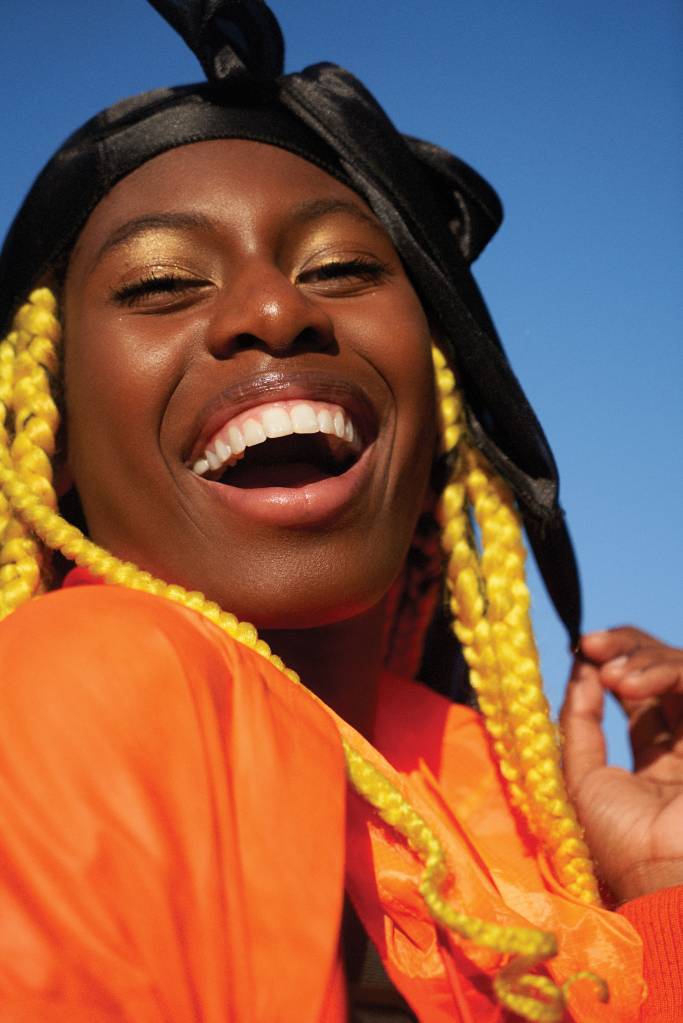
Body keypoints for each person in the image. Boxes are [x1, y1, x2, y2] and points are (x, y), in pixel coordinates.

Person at [0, 2, 680, 1021]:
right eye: (161, 282)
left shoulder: (514, 815)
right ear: (47, 438)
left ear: (448, 412)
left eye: (340, 269)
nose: (276, 311)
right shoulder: (75, 683)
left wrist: (659, 890)